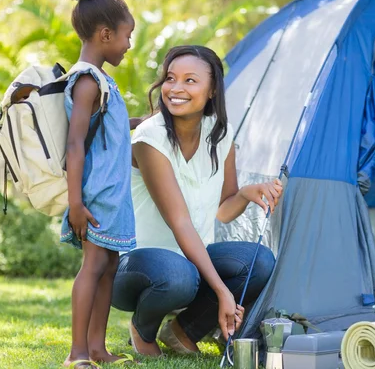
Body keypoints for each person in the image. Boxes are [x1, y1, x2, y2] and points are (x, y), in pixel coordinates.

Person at [112, 45, 282, 356]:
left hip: (190, 263)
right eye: (170, 78)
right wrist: (222, 292)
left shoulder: (220, 135)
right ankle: (143, 328)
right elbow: (179, 221)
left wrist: (245, 193)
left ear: (212, 88)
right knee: (180, 274)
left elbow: (224, 208)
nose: (175, 88)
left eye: (190, 80)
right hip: (136, 267)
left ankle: (183, 330)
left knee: (260, 261)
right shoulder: (149, 139)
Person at [61, 0, 136, 367]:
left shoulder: (103, 81)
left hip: (112, 192)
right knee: (93, 266)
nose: (128, 45)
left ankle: (97, 348)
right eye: (127, 35)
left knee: (108, 265)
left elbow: (112, 130)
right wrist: (76, 203)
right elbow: (75, 145)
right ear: (105, 34)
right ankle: (78, 354)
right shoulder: (87, 80)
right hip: (95, 193)